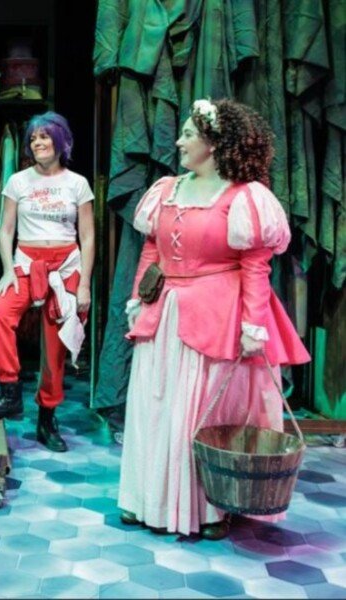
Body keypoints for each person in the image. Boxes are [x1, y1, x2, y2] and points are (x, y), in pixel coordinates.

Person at [118, 99, 311, 540]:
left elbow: (255, 267)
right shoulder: (166, 189)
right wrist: (138, 299)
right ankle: (148, 499)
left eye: (188, 134)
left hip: (215, 316)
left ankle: (208, 508)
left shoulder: (244, 197)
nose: (179, 142)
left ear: (213, 143)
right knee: (155, 406)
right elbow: (152, 251)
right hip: (163, 313)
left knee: (200, 414)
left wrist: (253, 326)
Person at [0, 112, 94, 454]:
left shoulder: (77, 183)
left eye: (44, 136)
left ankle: (46, 420)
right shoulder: (18, 181)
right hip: (26, 264)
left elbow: (87, 236)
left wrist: (84, 283)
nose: (38, 142)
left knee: (55, 348)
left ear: (60, 139)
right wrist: (8, 270)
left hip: (66, 267)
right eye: (33, 138)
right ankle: (10, 392)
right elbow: (5, 230)